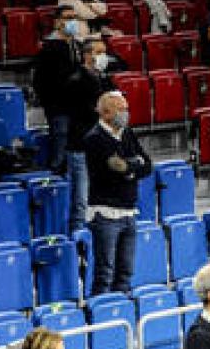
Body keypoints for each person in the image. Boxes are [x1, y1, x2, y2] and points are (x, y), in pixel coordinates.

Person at [84, 91, 150, 295]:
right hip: (105, 214)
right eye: (121, 110)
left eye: (126, 109)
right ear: (105, 113)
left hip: (129, 211)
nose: (126, 114)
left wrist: (129, 169)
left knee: (125, 273)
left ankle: (121, 309)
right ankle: (101, 312)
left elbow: (147, 165)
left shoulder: (128, 133)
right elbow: (111, 172)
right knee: (105, 274)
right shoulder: (94, 138)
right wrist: (134, 164)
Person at [64, 39, 109, 231]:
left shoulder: (102, 79)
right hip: (80, 147)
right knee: (81, 198)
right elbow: (86, 113)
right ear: (88, 55)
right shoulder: (77, 81)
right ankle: (78, 236)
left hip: (98, 147)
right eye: (99, 52)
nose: (104, 56)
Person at [33, 5, 83, 171]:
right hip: (58, 107)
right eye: (68, 18)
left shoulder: (77, 45)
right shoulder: (49, 48)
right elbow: (40, 81)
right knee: (60, 150)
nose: (73, 21)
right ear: (57, 22)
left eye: (74, 17)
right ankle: (55, 179)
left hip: (76, 107)